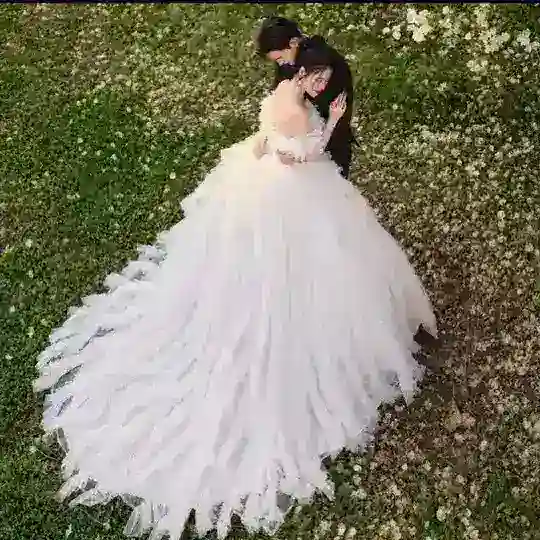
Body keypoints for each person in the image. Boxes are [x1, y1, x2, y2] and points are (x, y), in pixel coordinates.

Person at [34, 38, 436, 540]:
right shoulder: (297, 110)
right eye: (315, 76)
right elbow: (305, 153)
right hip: (291, 192)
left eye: (325, 78)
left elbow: (264, 141)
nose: (320, 84)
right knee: (303, 272)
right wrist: (332, 121)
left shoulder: (283, 91)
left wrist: (284, 135)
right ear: (301, 72)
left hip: (262, 178)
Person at [256, 16, 355, 178]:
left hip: (326, 136)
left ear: (294, 42)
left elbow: (334, 115)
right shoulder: (289, 61)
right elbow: (279, 92)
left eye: (280, 58)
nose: (280, 64)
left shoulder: (325, 69)